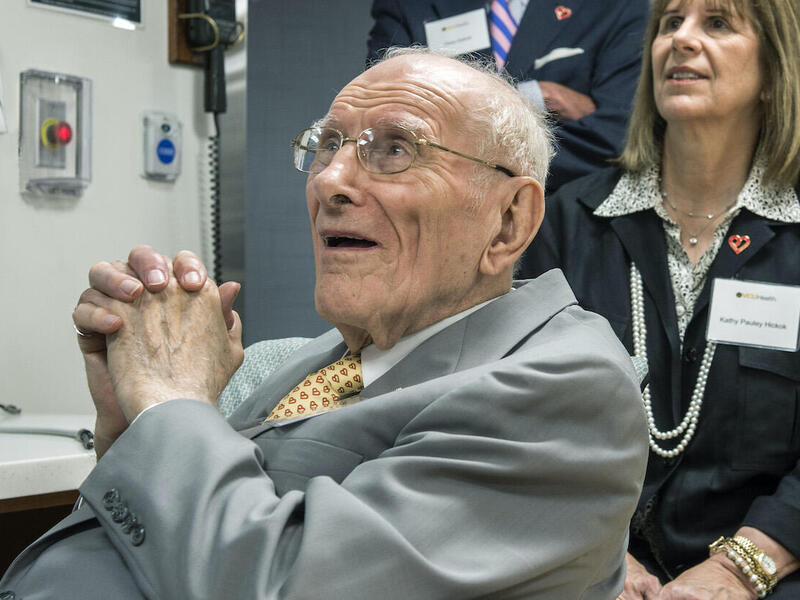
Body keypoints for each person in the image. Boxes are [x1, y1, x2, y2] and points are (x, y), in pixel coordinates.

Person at [0, 49, 648, 599]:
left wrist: (170, 401)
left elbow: (281, 584)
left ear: (508, 222)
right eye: (328, 145)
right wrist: (133, 425)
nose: (330, 181)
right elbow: (186, 526)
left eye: (396, 149)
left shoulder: (569, 390)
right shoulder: (331, 356)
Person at [518, 0, 800, 597]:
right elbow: (522, 411)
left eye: (717, 23)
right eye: (670, 23)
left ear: (776, 71)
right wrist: (601, 554)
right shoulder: (567, 222)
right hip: (583, 557)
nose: (682, 40)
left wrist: (741, 568)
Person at [366, 0, 649, 192]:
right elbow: (390, 120)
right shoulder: (408, 5)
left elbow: (617, 139)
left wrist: (456, 152)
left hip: (562, 226)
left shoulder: (617, 6)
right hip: (436, 216)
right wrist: (535, 96)